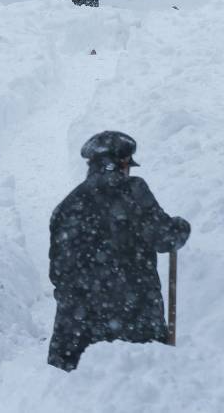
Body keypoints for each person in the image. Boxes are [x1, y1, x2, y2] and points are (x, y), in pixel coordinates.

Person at [47, 131, 191, 371]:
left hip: (77, 326)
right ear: (122, 162)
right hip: (133, 318)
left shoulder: (66, 206)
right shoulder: (133, 190)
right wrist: (180, 227)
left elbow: (57, 272)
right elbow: (164, 238)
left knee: (77, 395)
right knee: (136, 390)